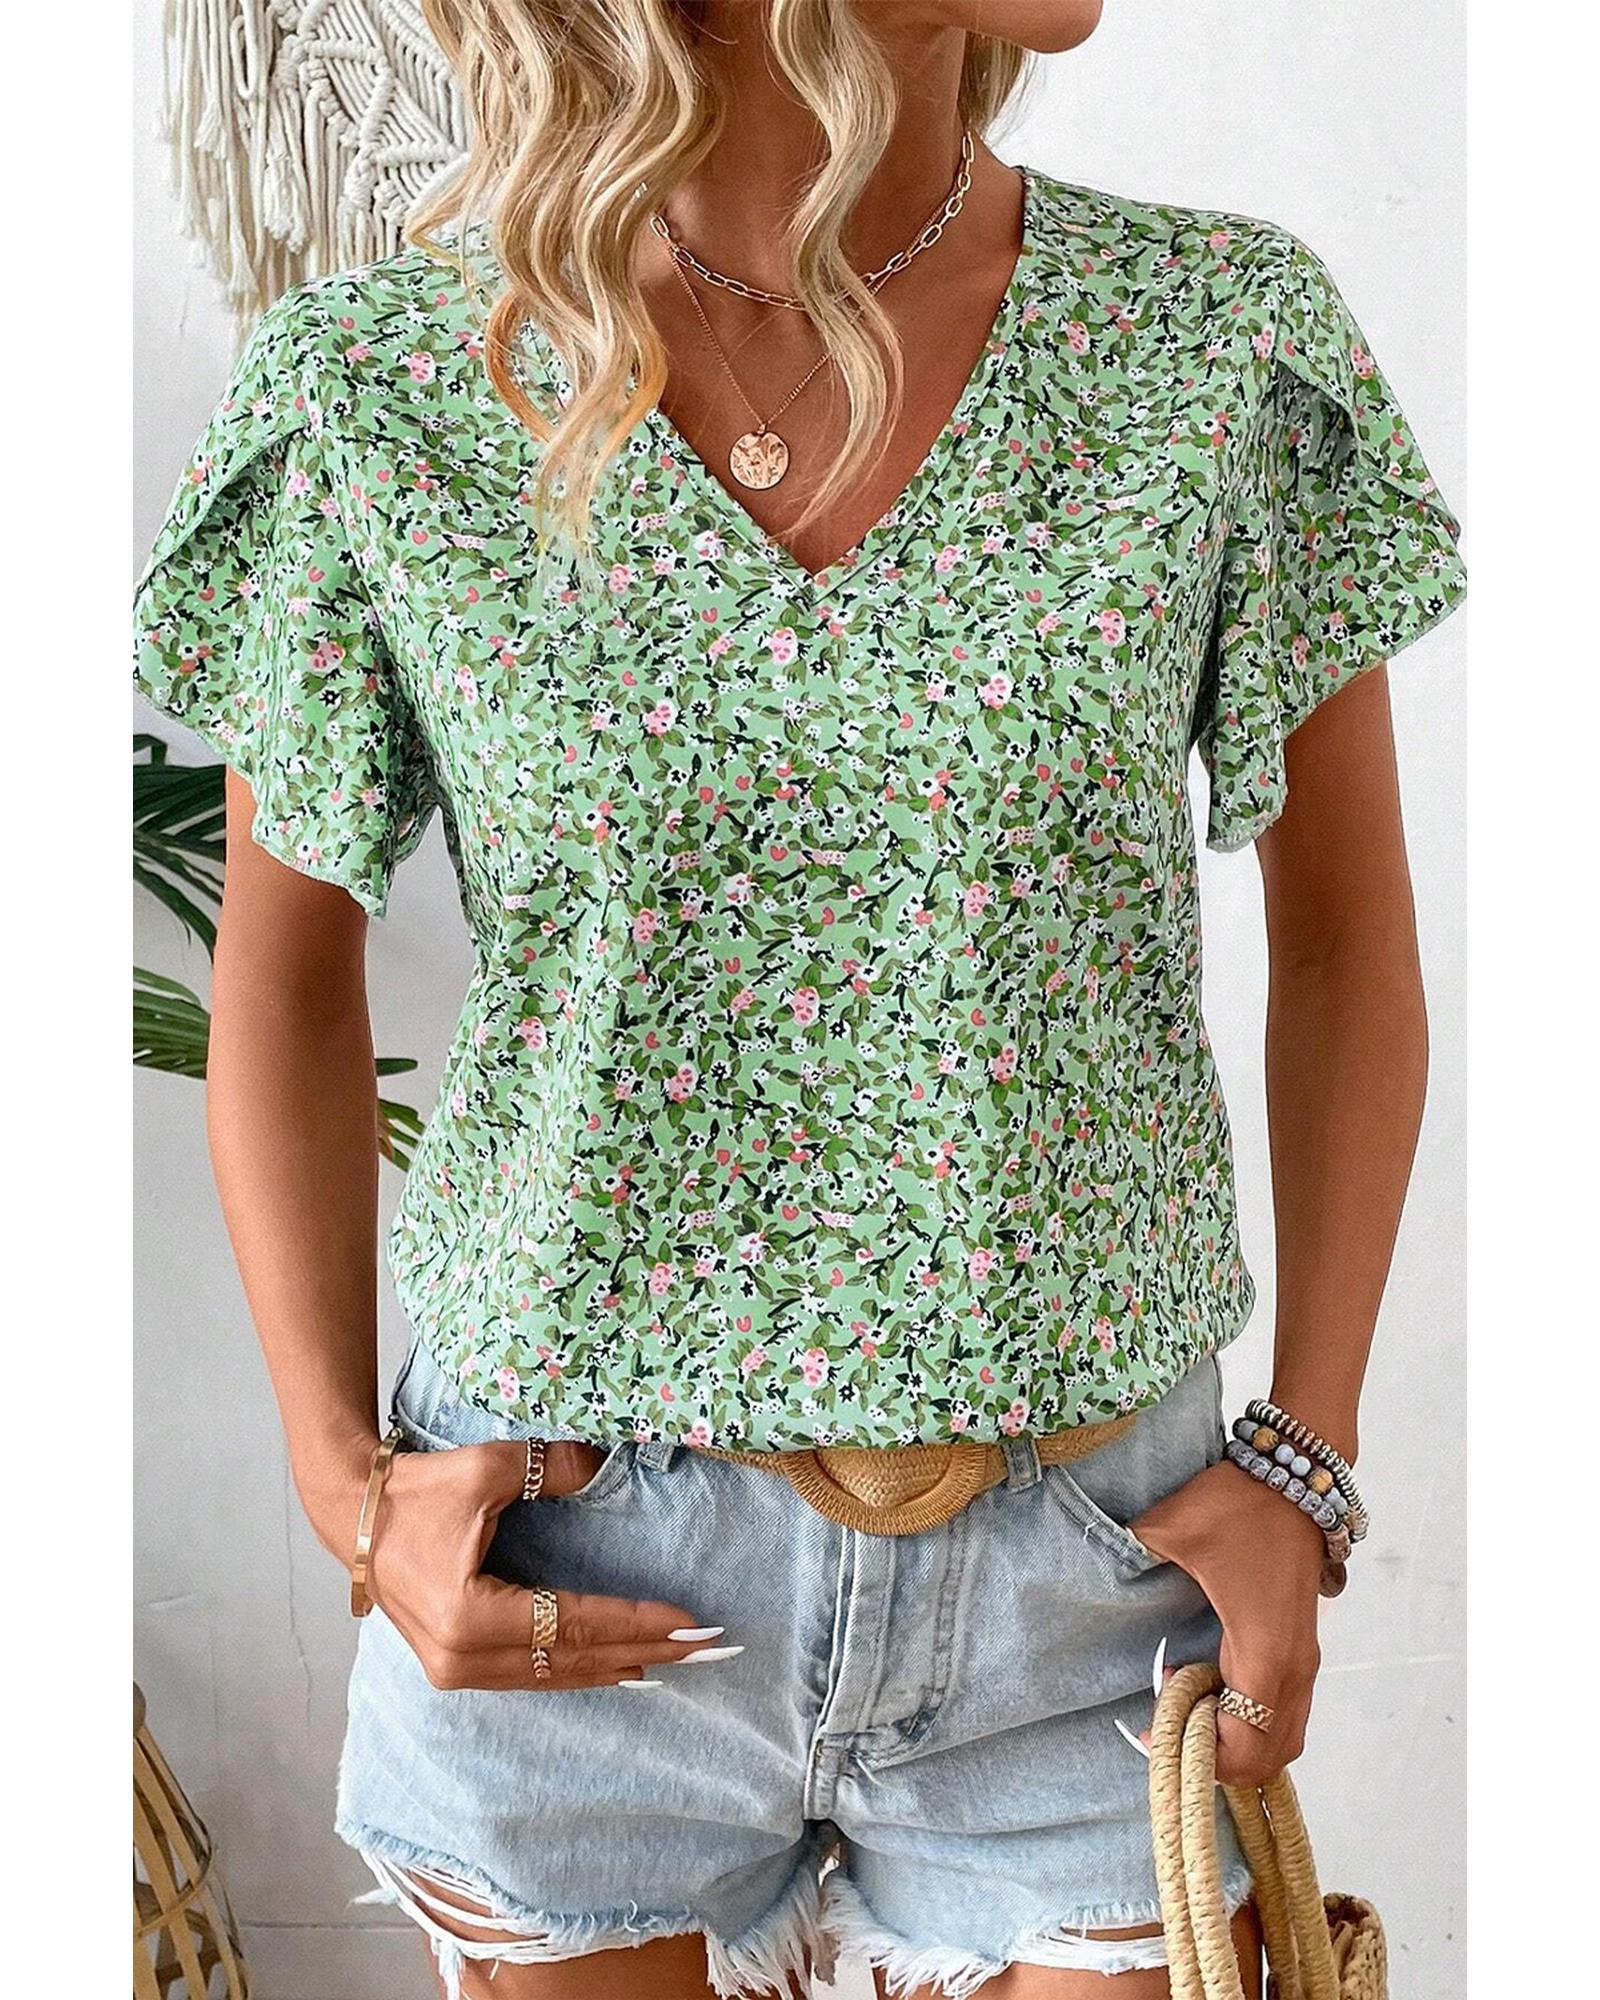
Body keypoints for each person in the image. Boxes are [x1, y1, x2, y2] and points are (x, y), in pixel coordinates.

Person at [132, 3, 1465, 1995]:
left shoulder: (1210, 344)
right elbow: (283, 967)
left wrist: (1310, 1462)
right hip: (566, 1567)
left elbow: (1346, 940)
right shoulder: (379, 393)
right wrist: (349, 1492)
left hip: (1085, 1586)